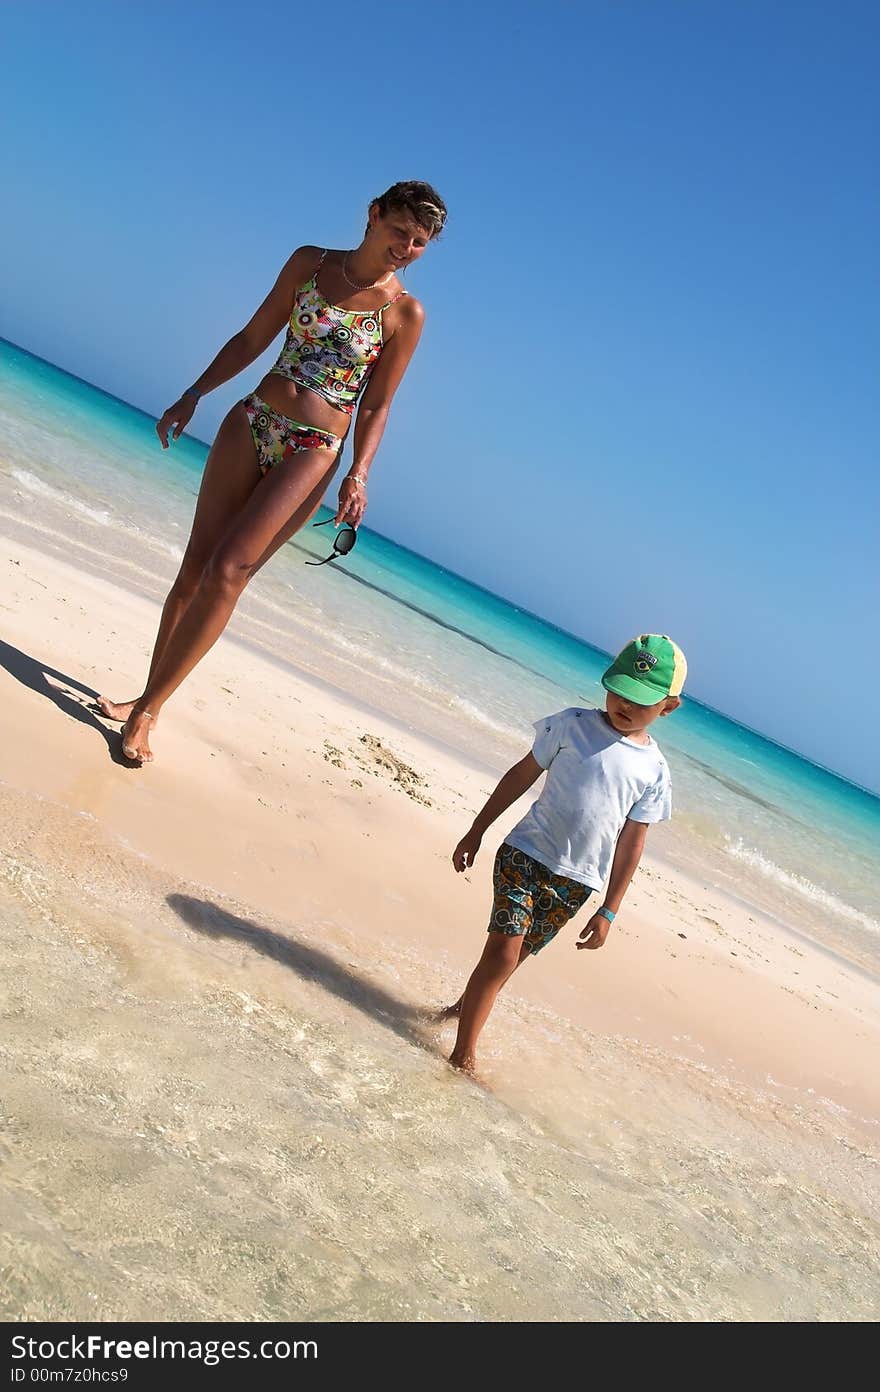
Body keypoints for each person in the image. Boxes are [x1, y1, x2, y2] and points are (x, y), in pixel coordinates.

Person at [97, 180, 447, 763]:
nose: (405, 247)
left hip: (316, 445)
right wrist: (194, 394)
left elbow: (379, 404)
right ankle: (143, 696)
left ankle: (149, 713)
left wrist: (359, 472)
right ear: (373, 215)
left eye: (418, 242)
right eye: (399, 232)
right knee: (195, 568)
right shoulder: (310, 263)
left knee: (229, 571)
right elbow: (254, 336)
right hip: (253, 419)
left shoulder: (404, 313)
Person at [444, 634, 687, 1074]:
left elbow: (632, 843)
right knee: (502, 952)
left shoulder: (655, 770)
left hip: (576, 883)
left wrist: (609, 910)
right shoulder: (572, 723)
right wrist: (476, 831)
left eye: (640, 699)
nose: (624, 704)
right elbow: (520, 776)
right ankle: (463, 1057)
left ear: (668, 707)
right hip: (525, 854)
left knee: (508, 960)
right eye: (620, 691)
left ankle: (463, 1009)